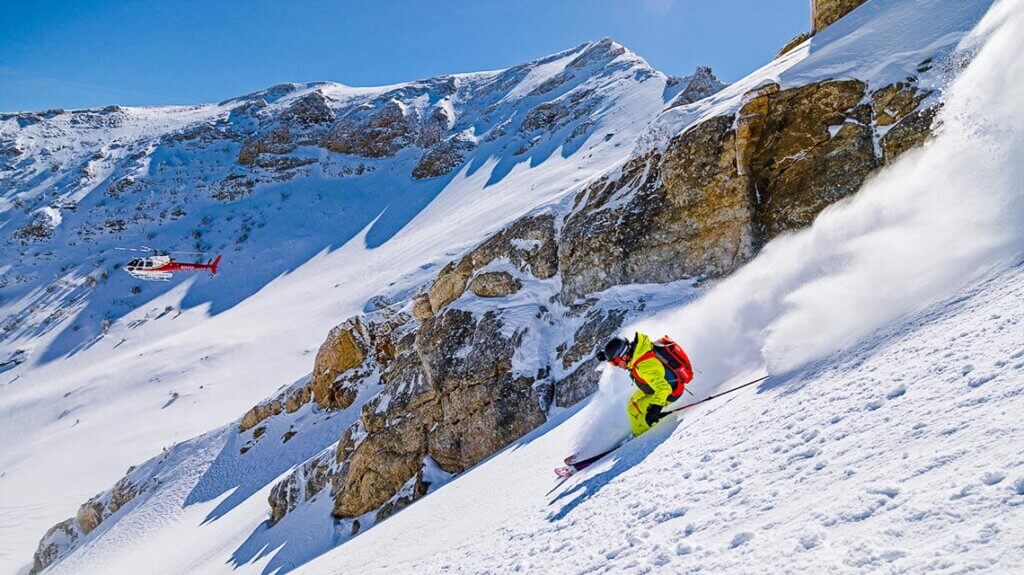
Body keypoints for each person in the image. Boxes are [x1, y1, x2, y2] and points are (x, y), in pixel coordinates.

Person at [597, 332, 693, 436]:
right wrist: (607, 355)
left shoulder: (644, 367)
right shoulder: (639, 350)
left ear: (624, 356)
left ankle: (640, 435)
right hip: (659, 385)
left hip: (670, 392)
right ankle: (640, 423)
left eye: (615, 362)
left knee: (633, 409)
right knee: (633, 399)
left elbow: (664, 389)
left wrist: (655, 409)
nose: (616, 366)